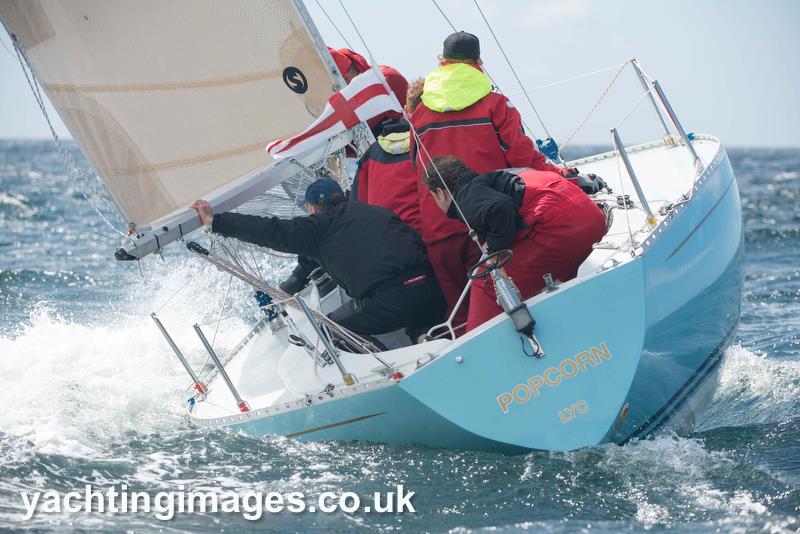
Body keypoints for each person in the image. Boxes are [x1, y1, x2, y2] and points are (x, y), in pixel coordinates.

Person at [408, 31, 596, 331]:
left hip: (439, 230)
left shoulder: (417, 116)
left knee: (460, 322)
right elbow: (526, 159)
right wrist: (565, 179)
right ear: (478, 62)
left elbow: (417, 174)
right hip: (490, 220)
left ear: (441, 62)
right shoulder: (494, 104)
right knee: (510, 298)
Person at [191, 178, 445, 339]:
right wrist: (295, 281)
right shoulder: (371, 211)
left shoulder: (317, 229)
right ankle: (424, 339)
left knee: (329, 329)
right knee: (418, 318)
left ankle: (386, 368)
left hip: (388, 301)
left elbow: (271, 231)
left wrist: (216, 221)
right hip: (430, 287)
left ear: (312, 208)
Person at [423, 156, 607, 332]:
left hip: (561, 229)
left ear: (440, 193)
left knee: (487, 281)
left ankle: (477, 353)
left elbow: (499, 207)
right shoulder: (496, 178)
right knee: (552, 268)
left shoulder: (465, 197)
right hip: (592, 219)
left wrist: (495, 250)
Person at [352, 71, 421, 232]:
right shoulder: (429, 145)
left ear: (405, 110)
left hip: (383, 241)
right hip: (425, 239)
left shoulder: (370, 154)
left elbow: (356, 209)